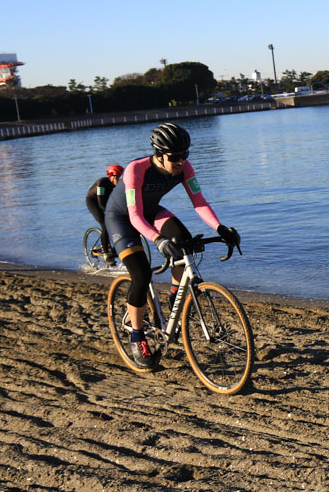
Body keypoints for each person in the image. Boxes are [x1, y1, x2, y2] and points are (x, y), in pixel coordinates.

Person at [104, 123, 240, 368]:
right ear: (158, 154)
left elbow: (198, 202)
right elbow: (134, 216)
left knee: (184, 241)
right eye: (174, 157)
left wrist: (220, 228)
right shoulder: (136, 169)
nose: (180, 161)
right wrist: (157, 239)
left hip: (151, 211)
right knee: (141, 274)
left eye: (185, 155)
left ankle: (174, 298)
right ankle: (137, 336)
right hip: (121, 219)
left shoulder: (184, 168)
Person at [85, 164, 124, 265]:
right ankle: (106, 254)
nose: (120, 180)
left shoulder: (119, 185)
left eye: (121, 177)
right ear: (111, 176)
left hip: (106, 201)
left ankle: (114, 247)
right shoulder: (102, 183)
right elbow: (101, 204)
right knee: (105, 224)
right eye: (117, 177)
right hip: (94, 202)